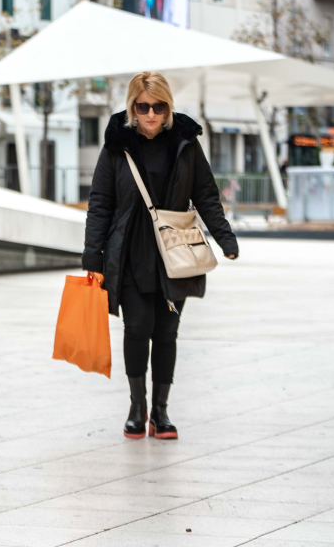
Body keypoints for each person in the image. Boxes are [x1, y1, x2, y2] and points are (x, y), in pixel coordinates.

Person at [82, 72, 238, 440]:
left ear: (168, 107)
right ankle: (137, 407)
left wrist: (225, 238)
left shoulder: (185, 142)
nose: (151, 114)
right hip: (130, 251)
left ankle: (161, 412)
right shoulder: (116, 146)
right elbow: (100, 204)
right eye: (143, 106)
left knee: (167, 332)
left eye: (159, 106)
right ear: (133, 107)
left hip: (176, 252)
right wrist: (93, 256)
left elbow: (206, 195)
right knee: (137, 328)